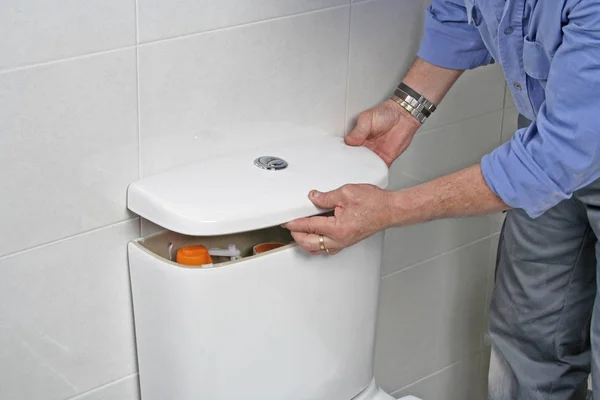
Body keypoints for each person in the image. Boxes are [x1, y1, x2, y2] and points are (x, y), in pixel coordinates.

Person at [283, 1, 600, 399]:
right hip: (549, 132)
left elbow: (558, 155)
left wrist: (390, 210)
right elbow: (463, 12)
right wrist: (405, 110)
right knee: (528, 332)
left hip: (556, 148)